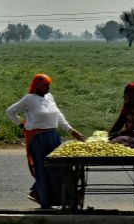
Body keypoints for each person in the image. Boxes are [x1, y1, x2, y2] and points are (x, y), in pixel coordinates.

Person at [6, 73, 85, 208]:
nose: (48, 88)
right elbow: (10, 111)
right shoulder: (29, 99)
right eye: (45, 86)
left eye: (49, 86)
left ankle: (57, 197)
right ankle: (45, 200)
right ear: (37, 86)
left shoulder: (50, 97)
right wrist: (22, 126)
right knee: (43, 169)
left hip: (53, 136)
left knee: (59, 167)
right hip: (38, 139)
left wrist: (71, 131)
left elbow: (59, 115)